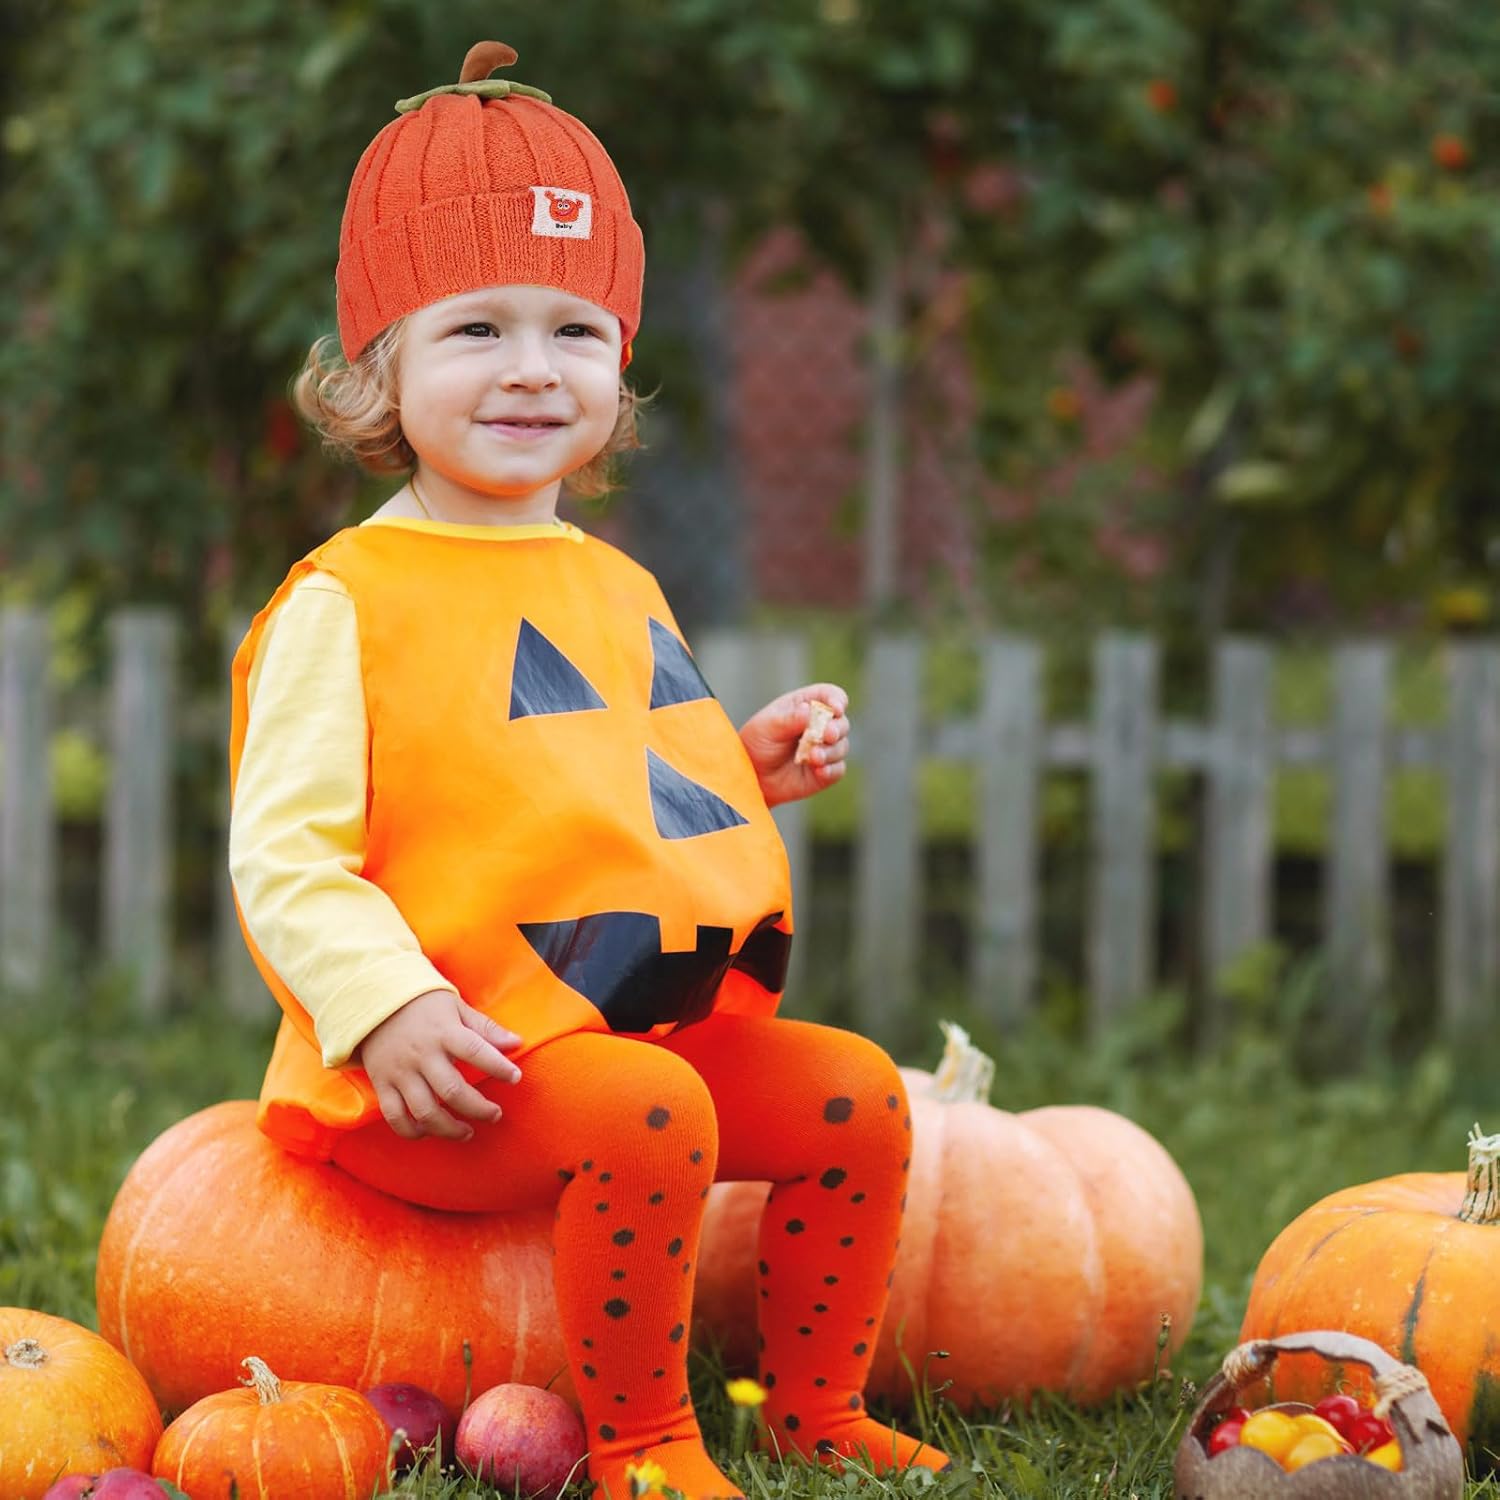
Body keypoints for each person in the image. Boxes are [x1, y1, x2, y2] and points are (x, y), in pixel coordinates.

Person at [227, 40, 948, 1500]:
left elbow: (587, 779)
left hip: (623, 1023)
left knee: (859, 1099)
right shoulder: (349, 601)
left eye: (574, 329)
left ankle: (816, 1410)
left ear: (618, 368)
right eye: (475, 329)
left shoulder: (613, 583)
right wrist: (387, 1007)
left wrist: (740, 766)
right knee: (648, 1116)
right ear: (380, 367)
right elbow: (287, 855)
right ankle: (645, 1446)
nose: (531, 368)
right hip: (451, 1070)